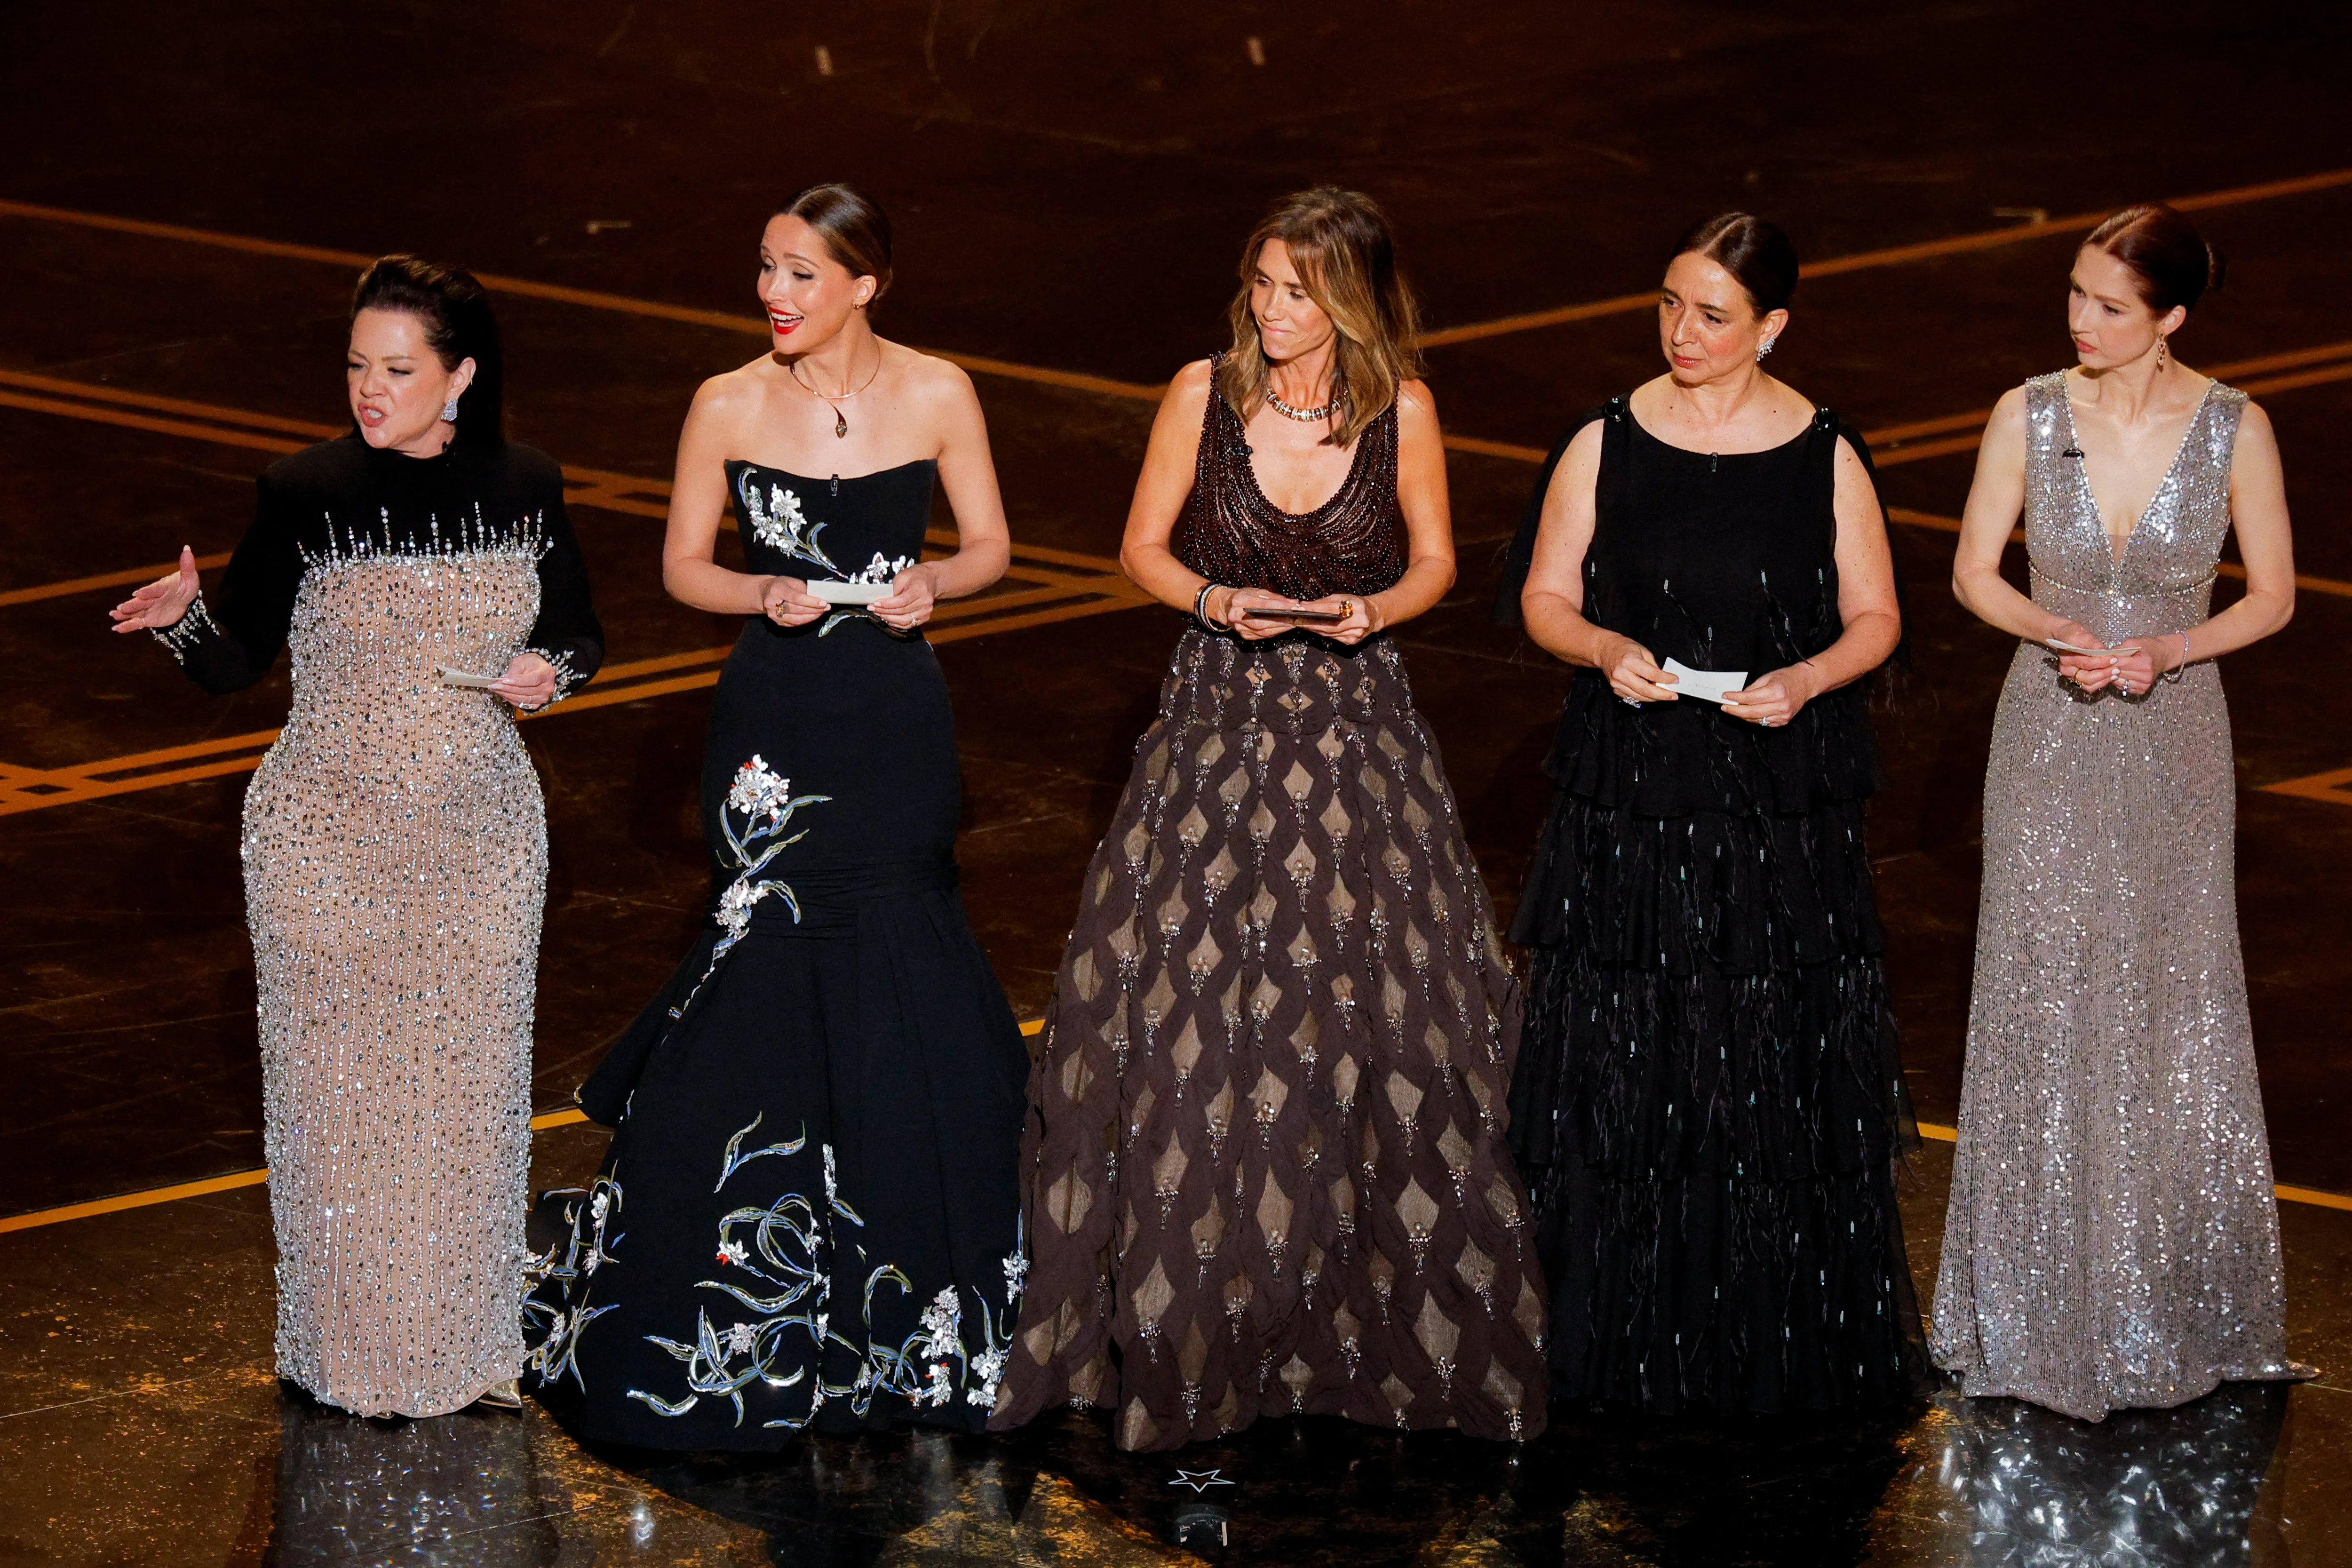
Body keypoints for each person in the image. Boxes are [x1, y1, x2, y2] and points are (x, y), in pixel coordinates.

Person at [992, 187, 1546, 1453]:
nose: (1273, 310)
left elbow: (1437, 561)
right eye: (1261, 284)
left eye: (1298, 291)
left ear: (1350, 298)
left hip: (1355, 739)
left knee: (1364, 1004)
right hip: (1219, 729)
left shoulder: (1402, 405)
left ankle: (1348, 1312)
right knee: (1195, 998)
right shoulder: (1203, 392)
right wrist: (1213, 599)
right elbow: (1138, 543)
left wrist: (1372, 612)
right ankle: (1197, 1304)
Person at [520, 184, 1030, 1449]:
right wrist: (763, 589)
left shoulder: (940, 391)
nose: (775, 296)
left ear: (868, 283)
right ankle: (749, 1286)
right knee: (767, 949)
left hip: (894, 716)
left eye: (802, 274)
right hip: (775, 717)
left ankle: (911, 1300)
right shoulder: (727, 402)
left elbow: (990, 547)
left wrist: (931, 586)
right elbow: (683, 563)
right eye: (766, 271)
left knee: (898, 938)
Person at [108, 256, 604, 1417]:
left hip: (481, 838)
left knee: (462, 1098)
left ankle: (463, 1344)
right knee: (340, 1102)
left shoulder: (529, 484)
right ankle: (350, 1353)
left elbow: (582, 634)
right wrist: (186, 626)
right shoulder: (303, 490)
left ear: (461, 375)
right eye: (354, 366)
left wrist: (551, 674)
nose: (368, 390)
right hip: (323, 838)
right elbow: (237, 664)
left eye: (397, 369)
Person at [1497, 213, 1926, 1414]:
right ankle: (1622, 1323)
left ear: (1772, 328)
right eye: (1671, 305)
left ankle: (1759, 1324)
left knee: (1762, 1067)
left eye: (1714, 316)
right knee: (1629, 1063)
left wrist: (1808, 678)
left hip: (1770, 806)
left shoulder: (1825, 452)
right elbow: (1541, 592)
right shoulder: (1604, 438)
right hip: (1633, 800)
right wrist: (1600, 644)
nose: (1683, 334)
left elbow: (1878, 618)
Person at [1932, 204, 2306, 1418]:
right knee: (2043, 985)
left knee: (2169, 992)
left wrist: (2170, 649)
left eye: (2107, 305)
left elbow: (2278, 596)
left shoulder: (2238, 427)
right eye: (2076, 296)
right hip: (2046, 730)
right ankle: (2037, 1301)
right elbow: (1973, 570)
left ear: (2172, 319)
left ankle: (2166, 1295)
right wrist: (2058, 628)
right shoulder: (2025, 411)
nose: (2078, 322)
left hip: (2175, 738)